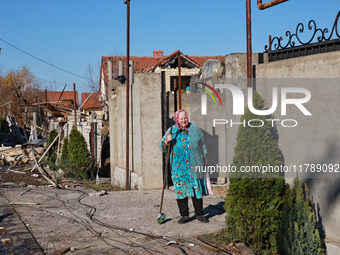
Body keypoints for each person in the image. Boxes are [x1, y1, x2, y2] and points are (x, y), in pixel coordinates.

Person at [159, 110, 211, 224]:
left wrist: (205, 158)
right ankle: (184, 215)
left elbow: (202, 143)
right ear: (177, 119)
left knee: (196, 189)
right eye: (181, 119)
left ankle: (200, 214)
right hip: (179, 167)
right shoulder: (172, 130)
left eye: (185, 118)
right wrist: (167, 140)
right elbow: (162, 148)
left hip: (195, 165)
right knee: (181, 190)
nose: (184, 121)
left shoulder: (195, 128)